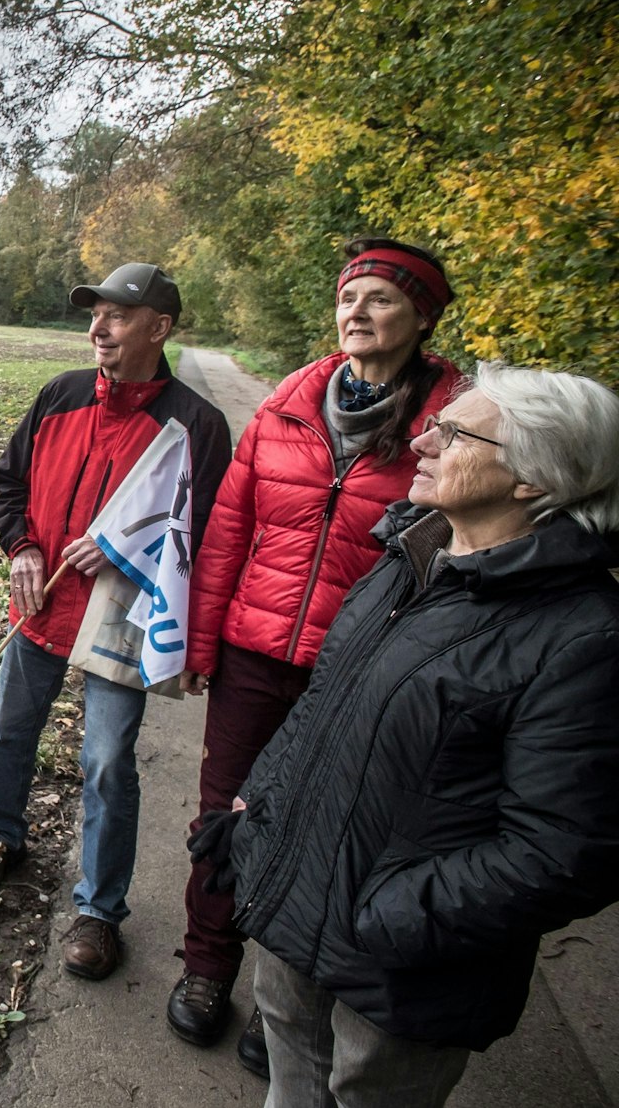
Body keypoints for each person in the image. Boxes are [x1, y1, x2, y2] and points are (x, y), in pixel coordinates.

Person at [193, 363, 619, 1107]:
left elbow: (566, 850)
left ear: (532, 478)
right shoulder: (409, 557)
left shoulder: (584, 637)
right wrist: (260, 806)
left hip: (403, 965)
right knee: (291, 1074)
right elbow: (325, 702)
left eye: (455, 434)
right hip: (302, 904)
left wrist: (393, 916)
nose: (421, 441)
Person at [166, 239, 460, 1069]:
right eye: (348, 298)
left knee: (330, 832)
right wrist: (201, 639)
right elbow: (228, 532)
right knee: (224, 815)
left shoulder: (452, 425)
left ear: (423, 317)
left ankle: (285, 1004)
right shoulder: (287, 405)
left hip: (362, 668)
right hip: (255, 652)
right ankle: (206, 968)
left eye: (380, 299)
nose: (356, 312)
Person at [0, 263, 231, 981]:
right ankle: (1, 834)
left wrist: (125, 554)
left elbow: (203, 538)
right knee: (11, 732)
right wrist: (21, 546)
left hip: (123, 617)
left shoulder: (197, 427)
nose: (98, 329)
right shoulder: (61, 394)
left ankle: (99, 911)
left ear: (159, 328)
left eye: (116, 315)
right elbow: (9, 483)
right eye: (94, 315)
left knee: (108, 761)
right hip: (42, 605)